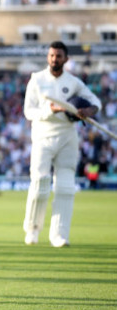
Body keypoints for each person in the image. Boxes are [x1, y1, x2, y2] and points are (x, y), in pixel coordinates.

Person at [23, 41, 100, 247]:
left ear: (65, 59)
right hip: (42, 136)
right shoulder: (37, 80)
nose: (54, 59)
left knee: (66, 187)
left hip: (67, 137)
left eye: (58, 56)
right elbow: (28, 112)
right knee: (39, 184)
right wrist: (52, 110)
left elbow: (96, 102)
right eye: (51, 55)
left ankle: (59, 235)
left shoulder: (73, 82)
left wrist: (88, 111)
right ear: (47, 57)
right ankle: (32, 230)